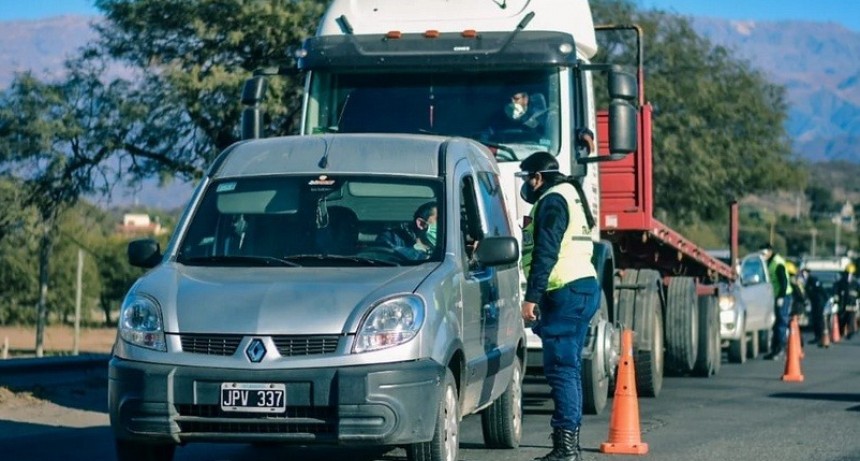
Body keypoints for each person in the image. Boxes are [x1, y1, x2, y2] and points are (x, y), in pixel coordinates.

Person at [518, 151, 597, 461]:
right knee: (569, 368)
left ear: (538, 178)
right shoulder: (571, 194)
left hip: (565, 291)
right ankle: (569, 445)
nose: (526, 184)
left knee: (562, 369)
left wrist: (532, 297)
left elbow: (546, 253)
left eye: (528, 178)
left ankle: (566, 448)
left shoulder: (552, 201)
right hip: (582, 287)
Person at [760, 243, 793, 360]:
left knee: (781, 322)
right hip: (776, 296)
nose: (763, 256)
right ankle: (774, 349)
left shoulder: (777, 263)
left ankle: (780, 349)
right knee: (776, 324)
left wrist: (781, 297)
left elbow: (784, 281)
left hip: (783, 296)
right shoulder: (769, 262)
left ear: (770, 251)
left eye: (764, 253)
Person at [799, 267, 829, 347]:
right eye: (802, 273)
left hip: (819, 302)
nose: (803, 274)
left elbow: (820, 290)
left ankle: (820, 337)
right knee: (815, 319)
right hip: (814, 302)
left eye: (804, 273)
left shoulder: (813, 280)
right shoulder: (805, 281)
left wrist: (825, 301)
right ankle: (817, 337)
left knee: (819, 319)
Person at [833, 263, 859, 340]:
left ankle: (850, 333)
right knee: (842, 319)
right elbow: (836, 291)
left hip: (852, 305)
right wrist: (836, 300)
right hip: (842, 305)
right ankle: (840, 332)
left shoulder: (855, 283)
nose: (849, 275)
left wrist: (857, 302)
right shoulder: (841, 282)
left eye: (851, 274)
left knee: (851, 319)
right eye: (848, 273)